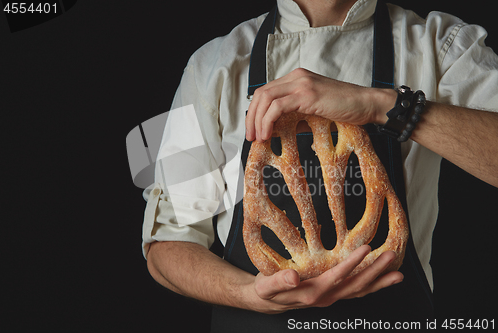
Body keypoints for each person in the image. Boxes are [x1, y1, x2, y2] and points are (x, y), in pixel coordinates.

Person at [141, 0, 498, 330]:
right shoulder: (209, 66)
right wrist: (249, 295)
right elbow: (166, 245)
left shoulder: (444, 46)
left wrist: (383, 106)